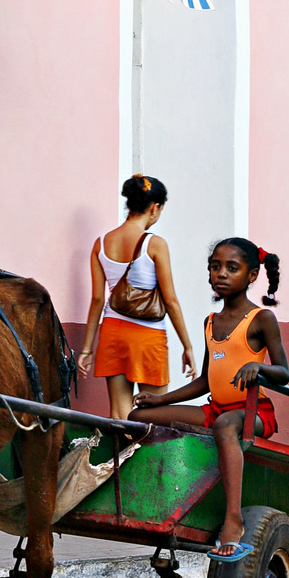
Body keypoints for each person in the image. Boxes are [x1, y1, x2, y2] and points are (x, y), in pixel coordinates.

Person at [130, 237, 289, 561]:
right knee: (136, 419)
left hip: (252, 413)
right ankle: (165, 498)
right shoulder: (210, 322)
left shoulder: (261, 319)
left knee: (226, 425)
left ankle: (233, 521)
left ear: (252, 275)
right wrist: (159, 401)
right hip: (214, 410)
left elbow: (284, 372)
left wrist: (257, 366)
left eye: (232, 268)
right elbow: (206, 380)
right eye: (215, 267)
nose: (221, 274)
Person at [77, 174, 196, 421]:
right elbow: (170, 301)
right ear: (155, 208)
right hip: (147, 337)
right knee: (155, 415)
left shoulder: (101, 243)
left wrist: (87, 349)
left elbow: (98, 300)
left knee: (119, 416)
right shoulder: (155, 244)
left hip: (112, 334)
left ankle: (121, 460)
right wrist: (187, 345)